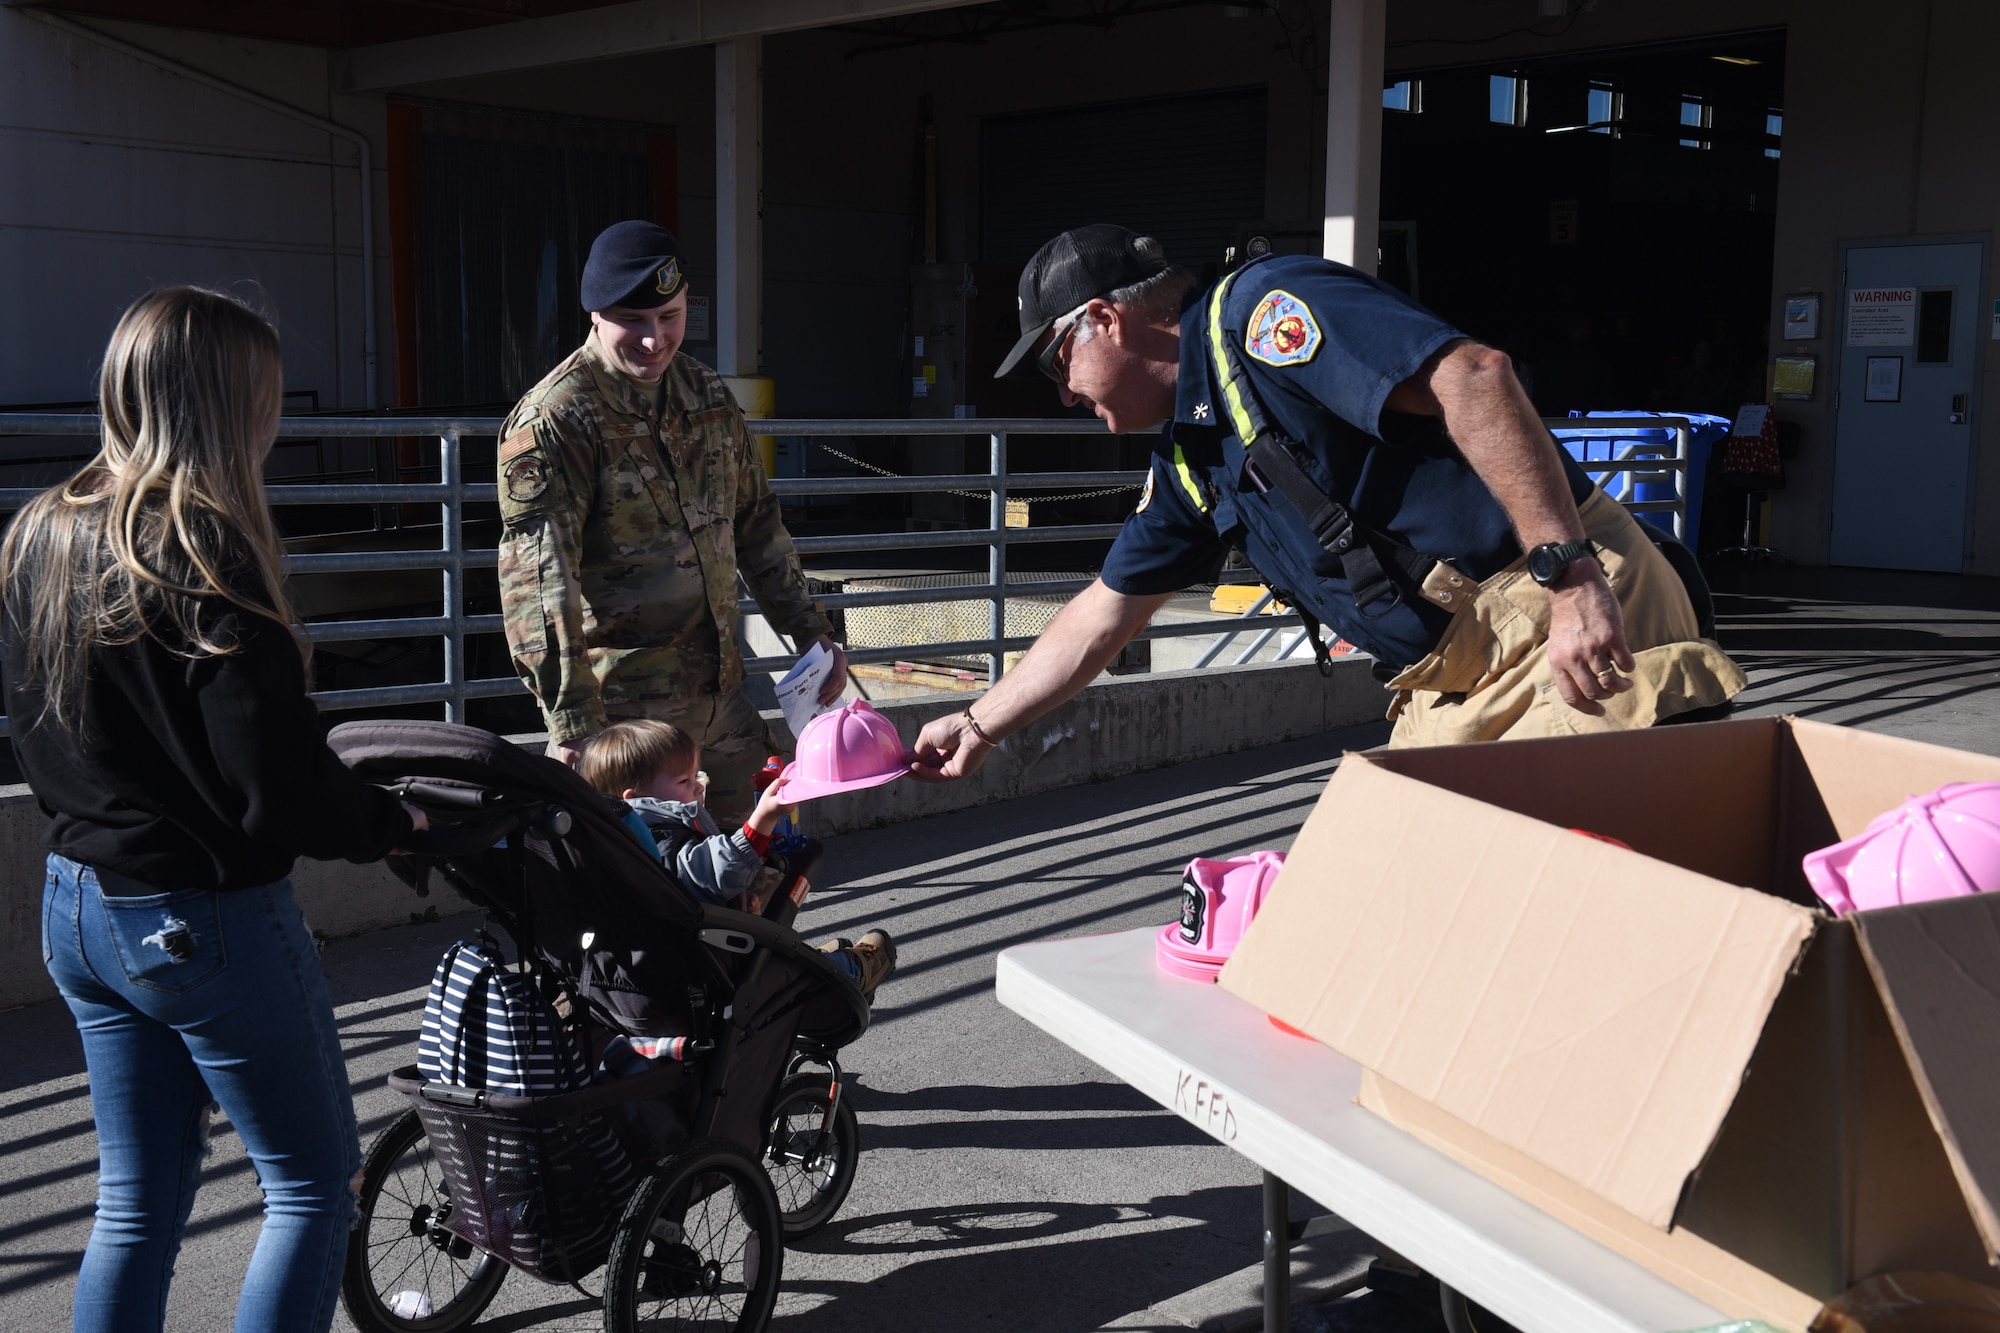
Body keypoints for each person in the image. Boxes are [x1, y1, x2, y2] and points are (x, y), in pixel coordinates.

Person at [912, 226, 1744, 779]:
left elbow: (1475, 379)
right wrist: (980, 724)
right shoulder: (1193, 460)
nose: (1062, 396)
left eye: (1058, 365)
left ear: (1104, 319)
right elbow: (1104, 613)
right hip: (1459, 673)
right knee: (1405, 905)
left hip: (1553, 616)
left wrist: (1570, 576)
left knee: (1575, 915)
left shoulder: (1260, 313)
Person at [0, 287, 426, 1333]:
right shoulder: (206, 559)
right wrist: (390, 822)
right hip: (203, 919)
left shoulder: (39, 535)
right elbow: (275, 788)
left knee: (135, 1201)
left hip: (77, 902)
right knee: (313, 1185)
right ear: (230, 403)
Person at [497, 219, 846, 825]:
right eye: (634, 320)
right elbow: (539, 585)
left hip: (719, 699)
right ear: (595, 315)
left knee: (765, 855)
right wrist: (574, 724)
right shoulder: (557, 420)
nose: (656, 339)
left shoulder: (706, 396)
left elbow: (756, 525)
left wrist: (810, 633)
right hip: (627, 723)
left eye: (671, 316)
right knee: (646, 892)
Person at [581, 719, 897, 998]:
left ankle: (811, 959)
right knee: (778, 963)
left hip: (675, 953)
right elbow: (712, 873)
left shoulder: (608, 844)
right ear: (636, 799)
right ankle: (852, 968)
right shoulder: (657, 838)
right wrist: (762, 819)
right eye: (684, 782)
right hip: (709, 962)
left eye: (696, 776)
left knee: (773, 944)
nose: (698, 789)